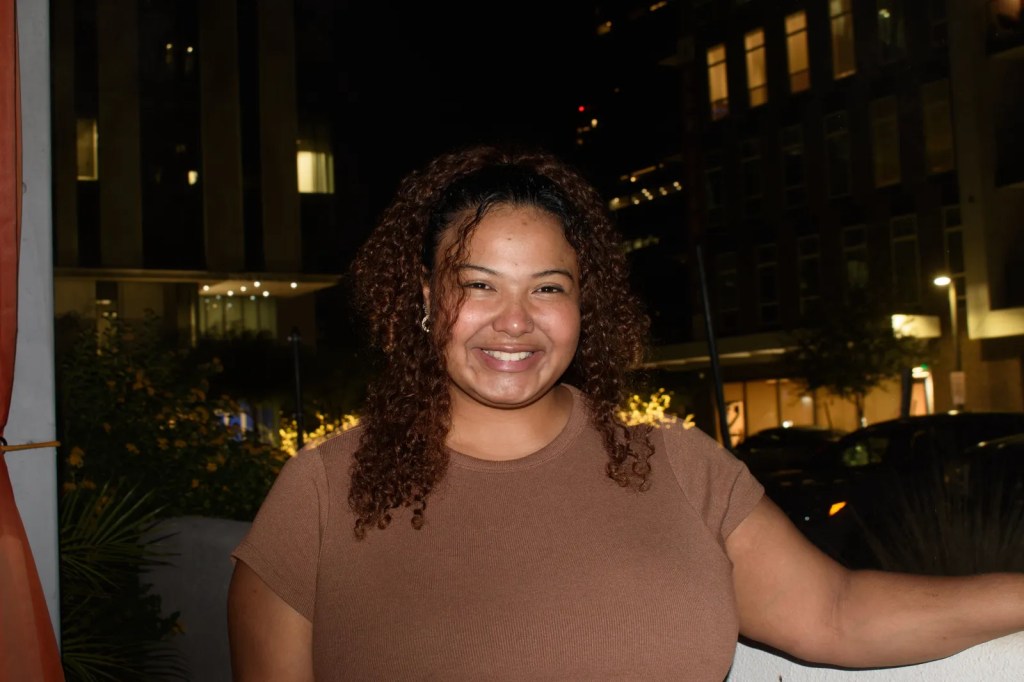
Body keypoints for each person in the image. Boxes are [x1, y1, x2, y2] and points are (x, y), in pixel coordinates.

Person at [227, 143, 1024, 681]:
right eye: (478, 285)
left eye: (548, 287)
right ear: (425, 302)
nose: (515, 321)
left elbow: (841, 613)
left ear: (586, 305)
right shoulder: (324, 494)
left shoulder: (677, 466)